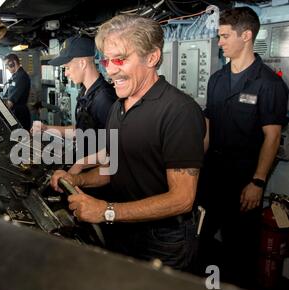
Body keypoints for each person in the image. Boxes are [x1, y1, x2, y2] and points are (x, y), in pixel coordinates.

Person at [50, 15, 206, 271]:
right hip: (124, 229)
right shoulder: (118, 107)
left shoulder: (178, 111)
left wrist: (107, 211)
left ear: (152, 57)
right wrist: (76, 180)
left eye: (120, 59)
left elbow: (182, 198)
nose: (110, 69)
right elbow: (114, 168)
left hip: (164, 240)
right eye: (106, 60)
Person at [199, 7, 289, 288]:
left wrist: (258, 182)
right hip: (212, 175)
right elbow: (208, 128)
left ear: (246, 36)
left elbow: (272, 137)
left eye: (225, 36)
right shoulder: (216, 78)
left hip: (244, 180)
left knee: (240, 249)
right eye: (219, 36)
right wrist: (195, 167)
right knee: (200, 239)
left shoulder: (269, 84)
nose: (220, 42)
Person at [35, 36, 116, 164]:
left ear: (82, 63)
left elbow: (113, 153)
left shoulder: (104, 99)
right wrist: (45, 128)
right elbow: (78, 131)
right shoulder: (85, 91)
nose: (66, 73)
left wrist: (78, 169)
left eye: (67, 67)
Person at [3, 53, 32, 130]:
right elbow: (8, 94)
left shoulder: (21, 77)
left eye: (7, 65)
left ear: (14, 63)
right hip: (16, 112)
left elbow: (10, 103)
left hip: (19, 114)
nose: (6, 67)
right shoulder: (16, 76)